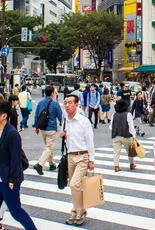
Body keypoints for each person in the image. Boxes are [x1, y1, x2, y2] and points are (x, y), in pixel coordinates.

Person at [0, 101, 36, 230]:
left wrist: (13, 180)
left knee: (16, 212)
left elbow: (16, 159)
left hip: (7, 181)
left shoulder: (12, 134)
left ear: (4, 116)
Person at [60, 94, 95, 226]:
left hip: (82, 156)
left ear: (76, 104)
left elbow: (90, 140)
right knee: (74, 185)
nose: (67, 105)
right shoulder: (65, 120)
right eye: (65, 103)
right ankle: (76, 210)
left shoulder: (83, 121)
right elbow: (62, 136)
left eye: (70, 103)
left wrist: (91, 159)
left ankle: (79, 211)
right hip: (70, 156)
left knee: (75, 184)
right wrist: (61, 134)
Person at [32, 86, 64, 175]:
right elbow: (60, 116)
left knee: (48, 146)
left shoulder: (40, 103)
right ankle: (40, 164)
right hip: (51, 128)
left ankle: (52, 164)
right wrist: (63, 126)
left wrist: (36, 126)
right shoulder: (55, 104)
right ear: (53, 93)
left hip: (42, 128)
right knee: (49, 147)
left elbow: (36, 115)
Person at [110, 99, 136, 172]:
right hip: (126, 135)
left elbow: (111, 126)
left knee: (116, 152)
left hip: (115, 135)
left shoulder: (114, 114)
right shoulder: (128, 114)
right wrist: (134, 135)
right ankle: (132, 164)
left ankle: (116, 166)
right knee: (130, 151)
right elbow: (131, 126)